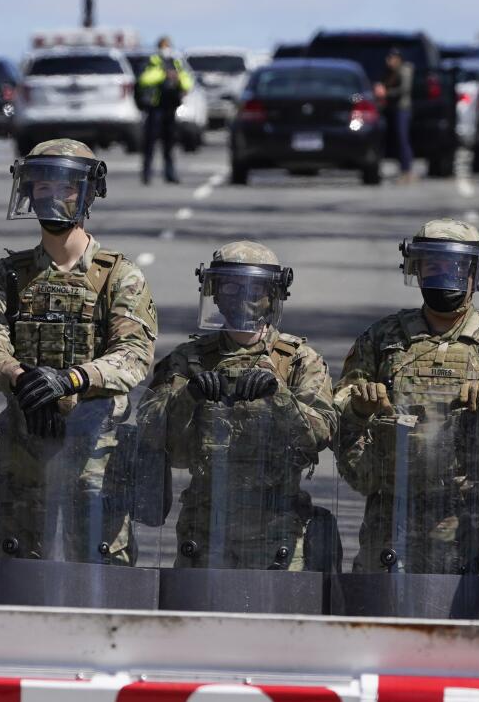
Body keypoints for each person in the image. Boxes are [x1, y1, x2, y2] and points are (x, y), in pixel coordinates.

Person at [0, 139, 156, 565]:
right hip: (22, 447)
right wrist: (20, 377)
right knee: (10, 569)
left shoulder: (119, 278)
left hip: (95, 453)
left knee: (97, 573)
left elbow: (132, 355)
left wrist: (71, 380)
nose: (53, 196)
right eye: (42, 186)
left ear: (89, 193)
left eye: (66, 186)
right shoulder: (8, 276)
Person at [336, 220, 479, 578]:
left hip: (475, 523)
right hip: (393, 520)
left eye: (456, 266)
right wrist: (360, 405)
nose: (445, 276)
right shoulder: (384, 338)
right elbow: (339, 407)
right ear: (417, 268)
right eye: (434, 265)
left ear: (477, 271)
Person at [137, 241, 335, 571]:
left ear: (273, 295)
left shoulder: (299, 361)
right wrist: (189, 397)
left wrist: (279, 397)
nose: (242, 298)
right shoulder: (188, 360)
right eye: (230, 286)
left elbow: (321, 435)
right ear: (214, 292)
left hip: (277, 531)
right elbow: (149, 432)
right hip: (204, 530)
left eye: (254, 289)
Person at [136, 37, 193, 185]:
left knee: (170, 144)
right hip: (155, 108)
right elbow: (144, 79)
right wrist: (163, 74)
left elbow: (187, 81)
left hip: (170, 108)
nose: (165, 49)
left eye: (167, 46)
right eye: (163, 46)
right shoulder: (152, 62)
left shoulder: (175, 63)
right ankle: (146, 174)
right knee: (150, 143)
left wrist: (178, 78)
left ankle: (170, 173)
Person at [379, 47, 414, 180]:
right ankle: (403, 169)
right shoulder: (389, 72)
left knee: (402, 138)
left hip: (402, 109)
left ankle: (407, 170)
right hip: (392, 109)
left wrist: (386, 93)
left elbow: (404, 89)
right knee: (394, 140)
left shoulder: (405, 71)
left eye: (391, 58)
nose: (389, 61)